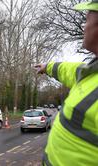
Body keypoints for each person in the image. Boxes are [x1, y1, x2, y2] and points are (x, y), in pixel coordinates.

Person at [35, 1, 98, 165]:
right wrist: (47, 67)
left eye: (87, 21)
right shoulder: (91, 72)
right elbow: (70, 70)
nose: (83, 27)